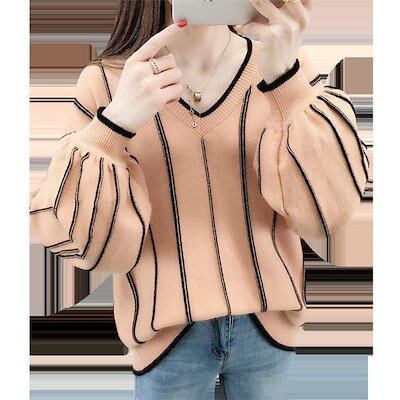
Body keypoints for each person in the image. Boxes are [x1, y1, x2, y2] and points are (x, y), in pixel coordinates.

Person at [30, 0, 370, 398]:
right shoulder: (106, 83)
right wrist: (114, 125)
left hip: (267, 328)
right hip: (167, 339)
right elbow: (76, 239)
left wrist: (287, 83)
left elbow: (328, 211)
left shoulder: (281, 62)